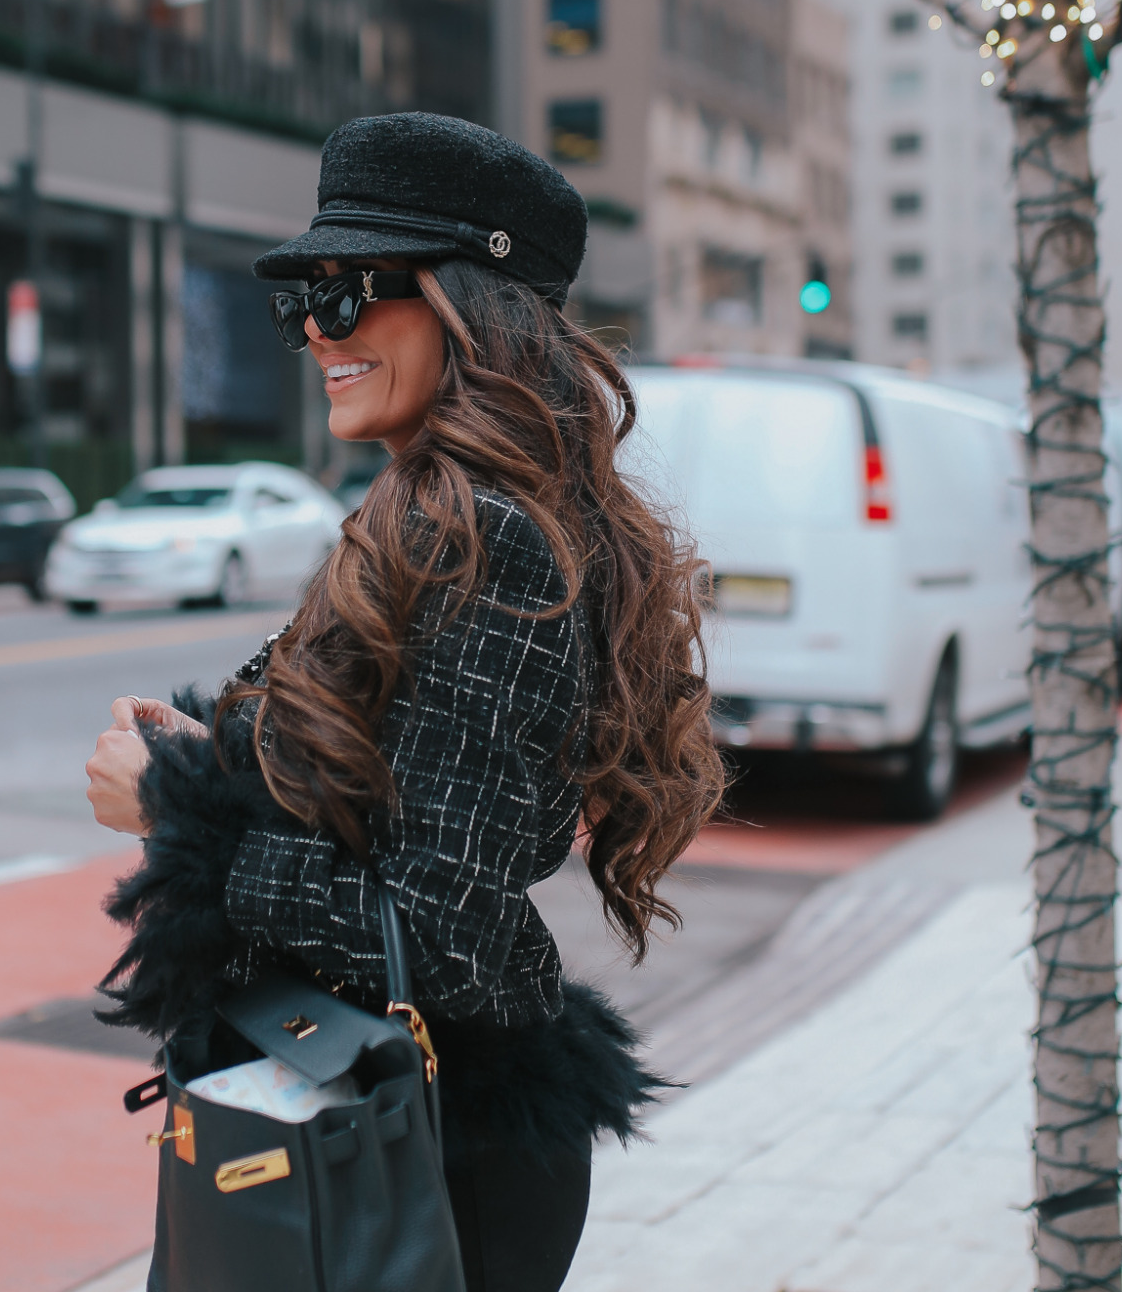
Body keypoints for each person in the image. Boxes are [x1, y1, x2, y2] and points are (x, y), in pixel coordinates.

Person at [85, 112, 723, 1292]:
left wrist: (178, 814)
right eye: (302, 301)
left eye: (354, 291)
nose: (317, 330)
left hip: (418, 1149)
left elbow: (440, 934)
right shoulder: (440, 517)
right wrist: (225, 759)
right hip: (372, 1117)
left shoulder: (488, 539)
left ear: (473, 308)